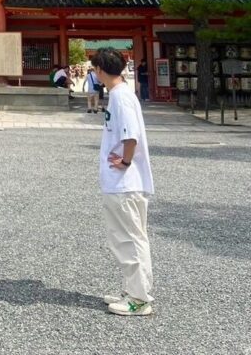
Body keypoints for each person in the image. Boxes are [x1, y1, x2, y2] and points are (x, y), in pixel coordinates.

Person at [91, 48, 155, 317]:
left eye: (95, 68)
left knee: (129, 239)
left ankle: (139, 299)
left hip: (125, 183)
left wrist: (126, 161)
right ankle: (133, 290)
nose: (95, 72)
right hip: (122, 183)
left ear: (101, 70)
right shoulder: (121, 94)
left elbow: (130, 136)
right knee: (127, 238)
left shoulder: (120, 97)